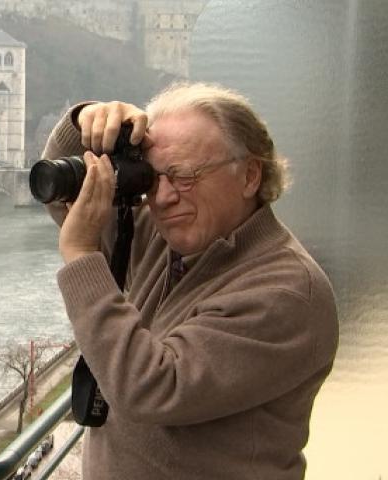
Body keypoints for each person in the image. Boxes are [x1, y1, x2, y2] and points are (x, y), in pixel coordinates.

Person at [41, 82, 338, 479]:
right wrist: (84, 123)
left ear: (249, 175)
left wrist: (81, 255)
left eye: (183, 176)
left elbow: (152, 388)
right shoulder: (165, 238)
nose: (163, 197)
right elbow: (61, 194)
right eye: (151, 178)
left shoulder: (287, 292)